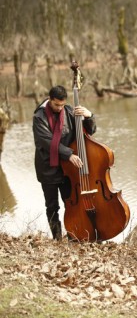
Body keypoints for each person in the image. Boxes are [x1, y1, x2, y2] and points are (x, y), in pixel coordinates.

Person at [33, 85, 96, 240]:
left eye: (62, 104)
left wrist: (89, 116)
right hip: (48, 167)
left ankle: (73, 235)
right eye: (56, 105)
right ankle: (57, 238)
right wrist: (69, 154)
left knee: (71, 204)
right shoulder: (39, 117)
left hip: (68, 169)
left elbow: (89, 131)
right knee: (52, 206)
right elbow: (47, 142)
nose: (60, 108)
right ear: (49, 100)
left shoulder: (68, 111)